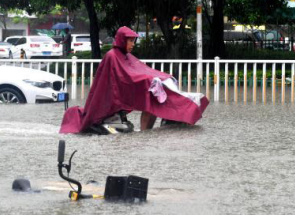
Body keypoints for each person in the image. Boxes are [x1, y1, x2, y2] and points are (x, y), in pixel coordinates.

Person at [60, 26, 209, 134]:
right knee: (149, 97)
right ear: (122, 40)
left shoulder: (126, 55)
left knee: (153, 99)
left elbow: (141, 69)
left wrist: (162, 77)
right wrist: (148, 79)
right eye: (130, 41)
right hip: (114, 94)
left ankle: (146, 132)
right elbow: (123, 76)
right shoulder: (112, 55)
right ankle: (144, 132)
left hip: (127, 89)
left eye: (133, 41)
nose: (132, 44)